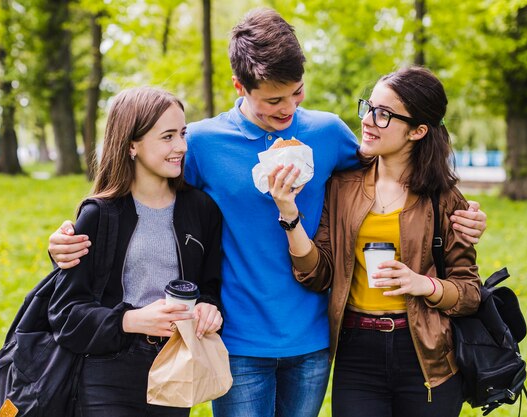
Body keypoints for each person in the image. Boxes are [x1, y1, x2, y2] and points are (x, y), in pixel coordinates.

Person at [47, 9, 487, 417]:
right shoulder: (199, 144)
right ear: (241, 87)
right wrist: (71, 236)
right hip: (236, 340)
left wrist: (462, 213)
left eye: (297, 93)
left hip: (313, 340)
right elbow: (140, 195)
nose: (288, 108)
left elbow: (396, 171)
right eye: (274, 100)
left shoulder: (328, 132)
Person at [268, 66, 481, 417]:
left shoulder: (444, 198)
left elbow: (469, 292)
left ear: (418, 131)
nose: (368, 120)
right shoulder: (342, 187)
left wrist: (422, 284)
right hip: (357, 352)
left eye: (384, 114)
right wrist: (289, 214)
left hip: (427, 355)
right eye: (368, 107)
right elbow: (319, 274)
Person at [48, 87, 224, 417]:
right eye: (168, 136)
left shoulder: (202, 210)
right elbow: (66, 315)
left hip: (174, 367)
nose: (182, 147)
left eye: (183, 134)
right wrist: (131, 319)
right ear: (132, 144)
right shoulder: (99, 215)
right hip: (107, 373)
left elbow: (210, 288)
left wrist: (209, 309)